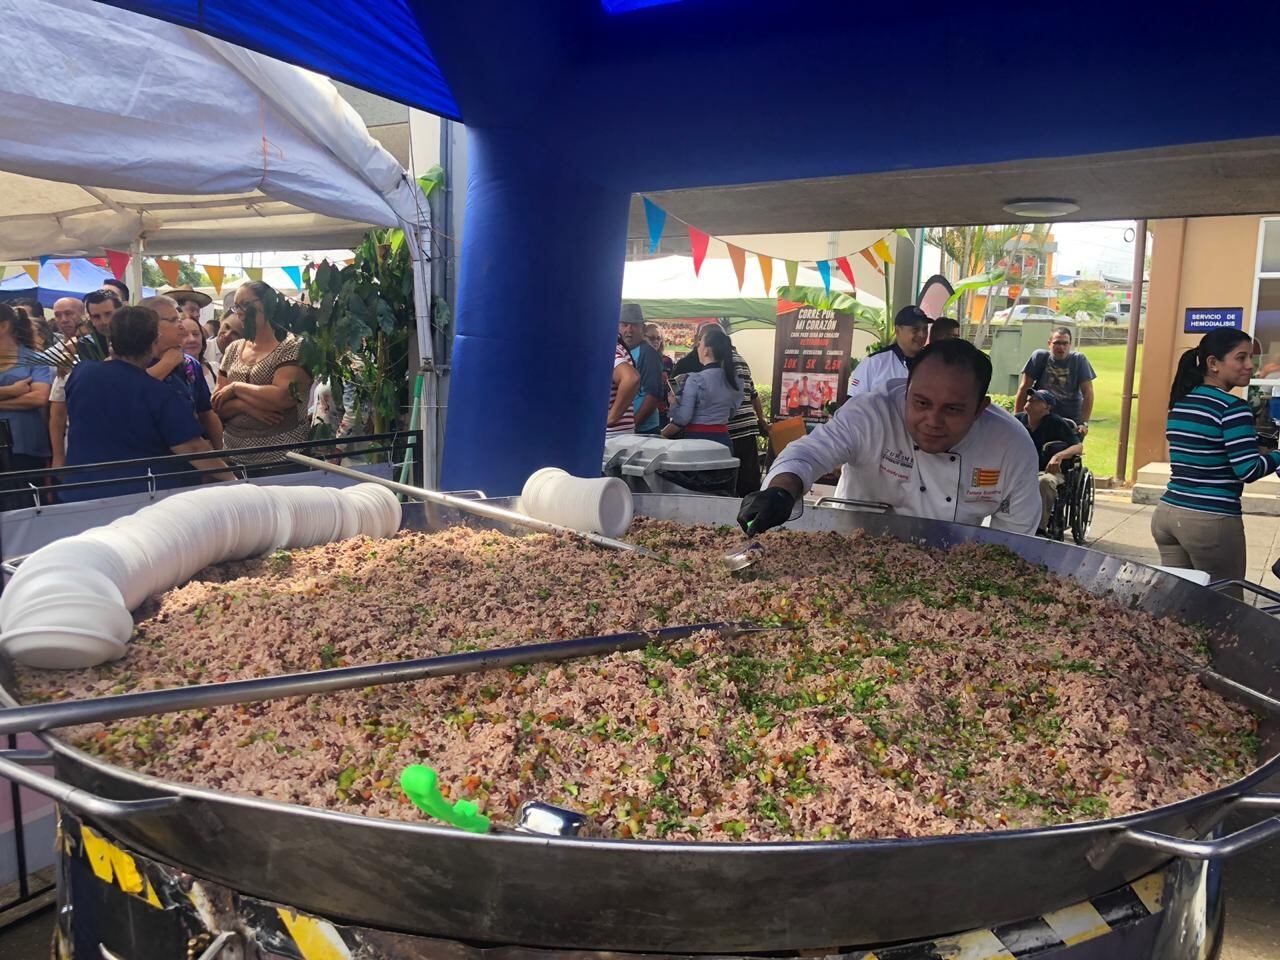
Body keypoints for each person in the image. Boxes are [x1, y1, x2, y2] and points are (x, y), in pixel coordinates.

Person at [739, 339, 1040, 536]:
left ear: (979, 409)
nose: (932, 421)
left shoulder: (1011, 446)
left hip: (954, 565)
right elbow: (809, 454)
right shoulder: (872, 413)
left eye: (952, 409)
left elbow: (1014, 539)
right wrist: (780, 492)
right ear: (906, 390)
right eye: (921, 403)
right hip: (852, 549)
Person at [62, 306, 234, 501]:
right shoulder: (159, 393)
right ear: (154, 342)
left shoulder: (82, 374)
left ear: (112, 341)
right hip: (142, 498)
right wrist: (234, 479)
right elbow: (193, 448)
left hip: (81, 492)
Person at [1151, 329, 1280, 583]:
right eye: (1241, 358)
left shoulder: (1182, 402)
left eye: (1251, 358)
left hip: (1167, 513)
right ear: (1213, 364)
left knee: (1179, 606)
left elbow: (1203, 451)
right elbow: (1248, 470)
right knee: (1225, 605)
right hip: (1209, 520)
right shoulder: (1233, 408)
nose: (1249, 366)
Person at [213, 281, 312, 465]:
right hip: (234, 454)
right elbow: (218, 403)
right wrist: (245, 407)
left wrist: (235, 388)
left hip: (283, 456)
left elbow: (282, 398)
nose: (241, 311)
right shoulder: (234, 349)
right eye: (236, 307)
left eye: (247, 304)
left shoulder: (292, 345)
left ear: (268, 303)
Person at [140, 296, 223, 449]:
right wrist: (167, 363)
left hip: (193, 461)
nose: (181, 327)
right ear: (149, 325)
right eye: (173, 321)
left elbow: (206, 414)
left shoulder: (191, 364)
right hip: (149, 464)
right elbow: (133, 392)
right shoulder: (131, 364)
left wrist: (221, 455)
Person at [0, 305, 53, 508]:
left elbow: (38, 398)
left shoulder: (33, 358)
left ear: (4, 326)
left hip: (26, 447)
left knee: (28, 507)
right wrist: (12, 391)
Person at [661, 327, 743, 449]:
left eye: (700, 344)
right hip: (723, 440)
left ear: (707, 351)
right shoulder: (734, 380)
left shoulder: (695, 380)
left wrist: (674, 404)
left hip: (698, 439)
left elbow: (683, 419)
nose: (697, 348)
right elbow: (731, 413)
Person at [1016, 389, 1084, 534]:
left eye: (1036, 400)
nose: (1030, 401)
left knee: (1045, 482)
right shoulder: (1017, 421)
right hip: (1020, 470)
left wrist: (1058, 456)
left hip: (1048, 472)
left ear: (1047, 407)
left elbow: (1078, 446)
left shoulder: (1056, 423)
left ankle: (1039, 528)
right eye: (1030, 398)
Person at [1015, 327, 1096, 432]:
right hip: (1042, 417)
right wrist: (1017, 419)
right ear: (1049, 344)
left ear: (1070, 344)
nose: (1061, 347)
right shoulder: (1039, 357)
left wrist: (1084, 423)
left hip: (1070, 420)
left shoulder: (1078, 360)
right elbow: (1024, 388)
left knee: (1071, 447)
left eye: (1065, 343)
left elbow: (1088, 393)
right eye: (1057, 343)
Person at [848, 305, 929, 398]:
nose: (922, 334)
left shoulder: (931, 363)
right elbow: (853, 404)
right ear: (898, 330)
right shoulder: (874, 363)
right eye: (915, 330)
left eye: (925, 329)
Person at [725, 342, 770, 496]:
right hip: (749, 427)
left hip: (732, 429)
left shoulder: (722, 361)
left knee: (731, 482)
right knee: (749, 480)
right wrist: (761, 419)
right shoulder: (742, 360)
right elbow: (754, 394)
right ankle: (750, 516)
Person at [618, 304, 665, 436]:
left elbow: (653, 395)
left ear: (642, 329)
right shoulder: (620, 351)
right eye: (625, 324)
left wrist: (633, 425)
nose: (629, 329)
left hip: (643, 430)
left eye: (634, 325)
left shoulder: (648, 354)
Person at [607, 335, 639, 436]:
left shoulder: (607, 348)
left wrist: (610, 419)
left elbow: (631, 378)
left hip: (610, 437)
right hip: (617, 435)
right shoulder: (614, 346)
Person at [180, 314, 218, 393]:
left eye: (195, 334)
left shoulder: (216, 369)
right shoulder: (171, 377)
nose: (192, 339)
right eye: (184, 335)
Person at [80, 289, 121, 359]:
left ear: (121, 313)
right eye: (96, 317)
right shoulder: (87, 343)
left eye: (108, 314)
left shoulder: (138, 337)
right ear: (91, 319)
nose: (104, 322)